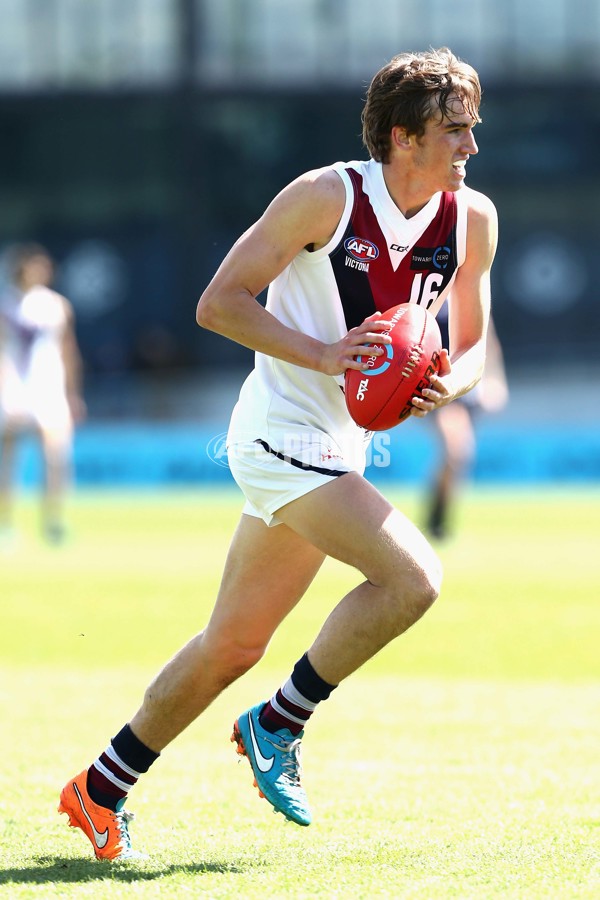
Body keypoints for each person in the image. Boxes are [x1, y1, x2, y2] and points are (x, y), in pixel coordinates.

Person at [58, 47, 498, 860]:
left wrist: (449, 383)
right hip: (278, 437)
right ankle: (279, 722)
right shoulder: (325, 196)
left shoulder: (472, 218)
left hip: (342, 446)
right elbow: (216, 304)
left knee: (233, 644)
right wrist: (326, 354)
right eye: (455, 130)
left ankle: (99, 786)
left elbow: (474, 346)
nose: (472, 146)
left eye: (473, 128)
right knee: (413, 578)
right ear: (402, 138)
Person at [0, 243, 85, 545]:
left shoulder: (56, 305)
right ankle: (6, 522)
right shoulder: (5, 305)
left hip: (49, 387)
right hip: (15, 388)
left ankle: (53, 521)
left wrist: (73, 393)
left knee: (55, 456)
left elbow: (68, 351)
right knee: (9, 458)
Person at [424, 305, 509, 539]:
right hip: (437, 384)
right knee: (457, 451)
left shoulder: (466, 285)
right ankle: (436, 519)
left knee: (459, 456)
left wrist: (495, 379)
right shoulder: (425, 286)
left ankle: (437, 517)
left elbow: (486, 338)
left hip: (467, 384)